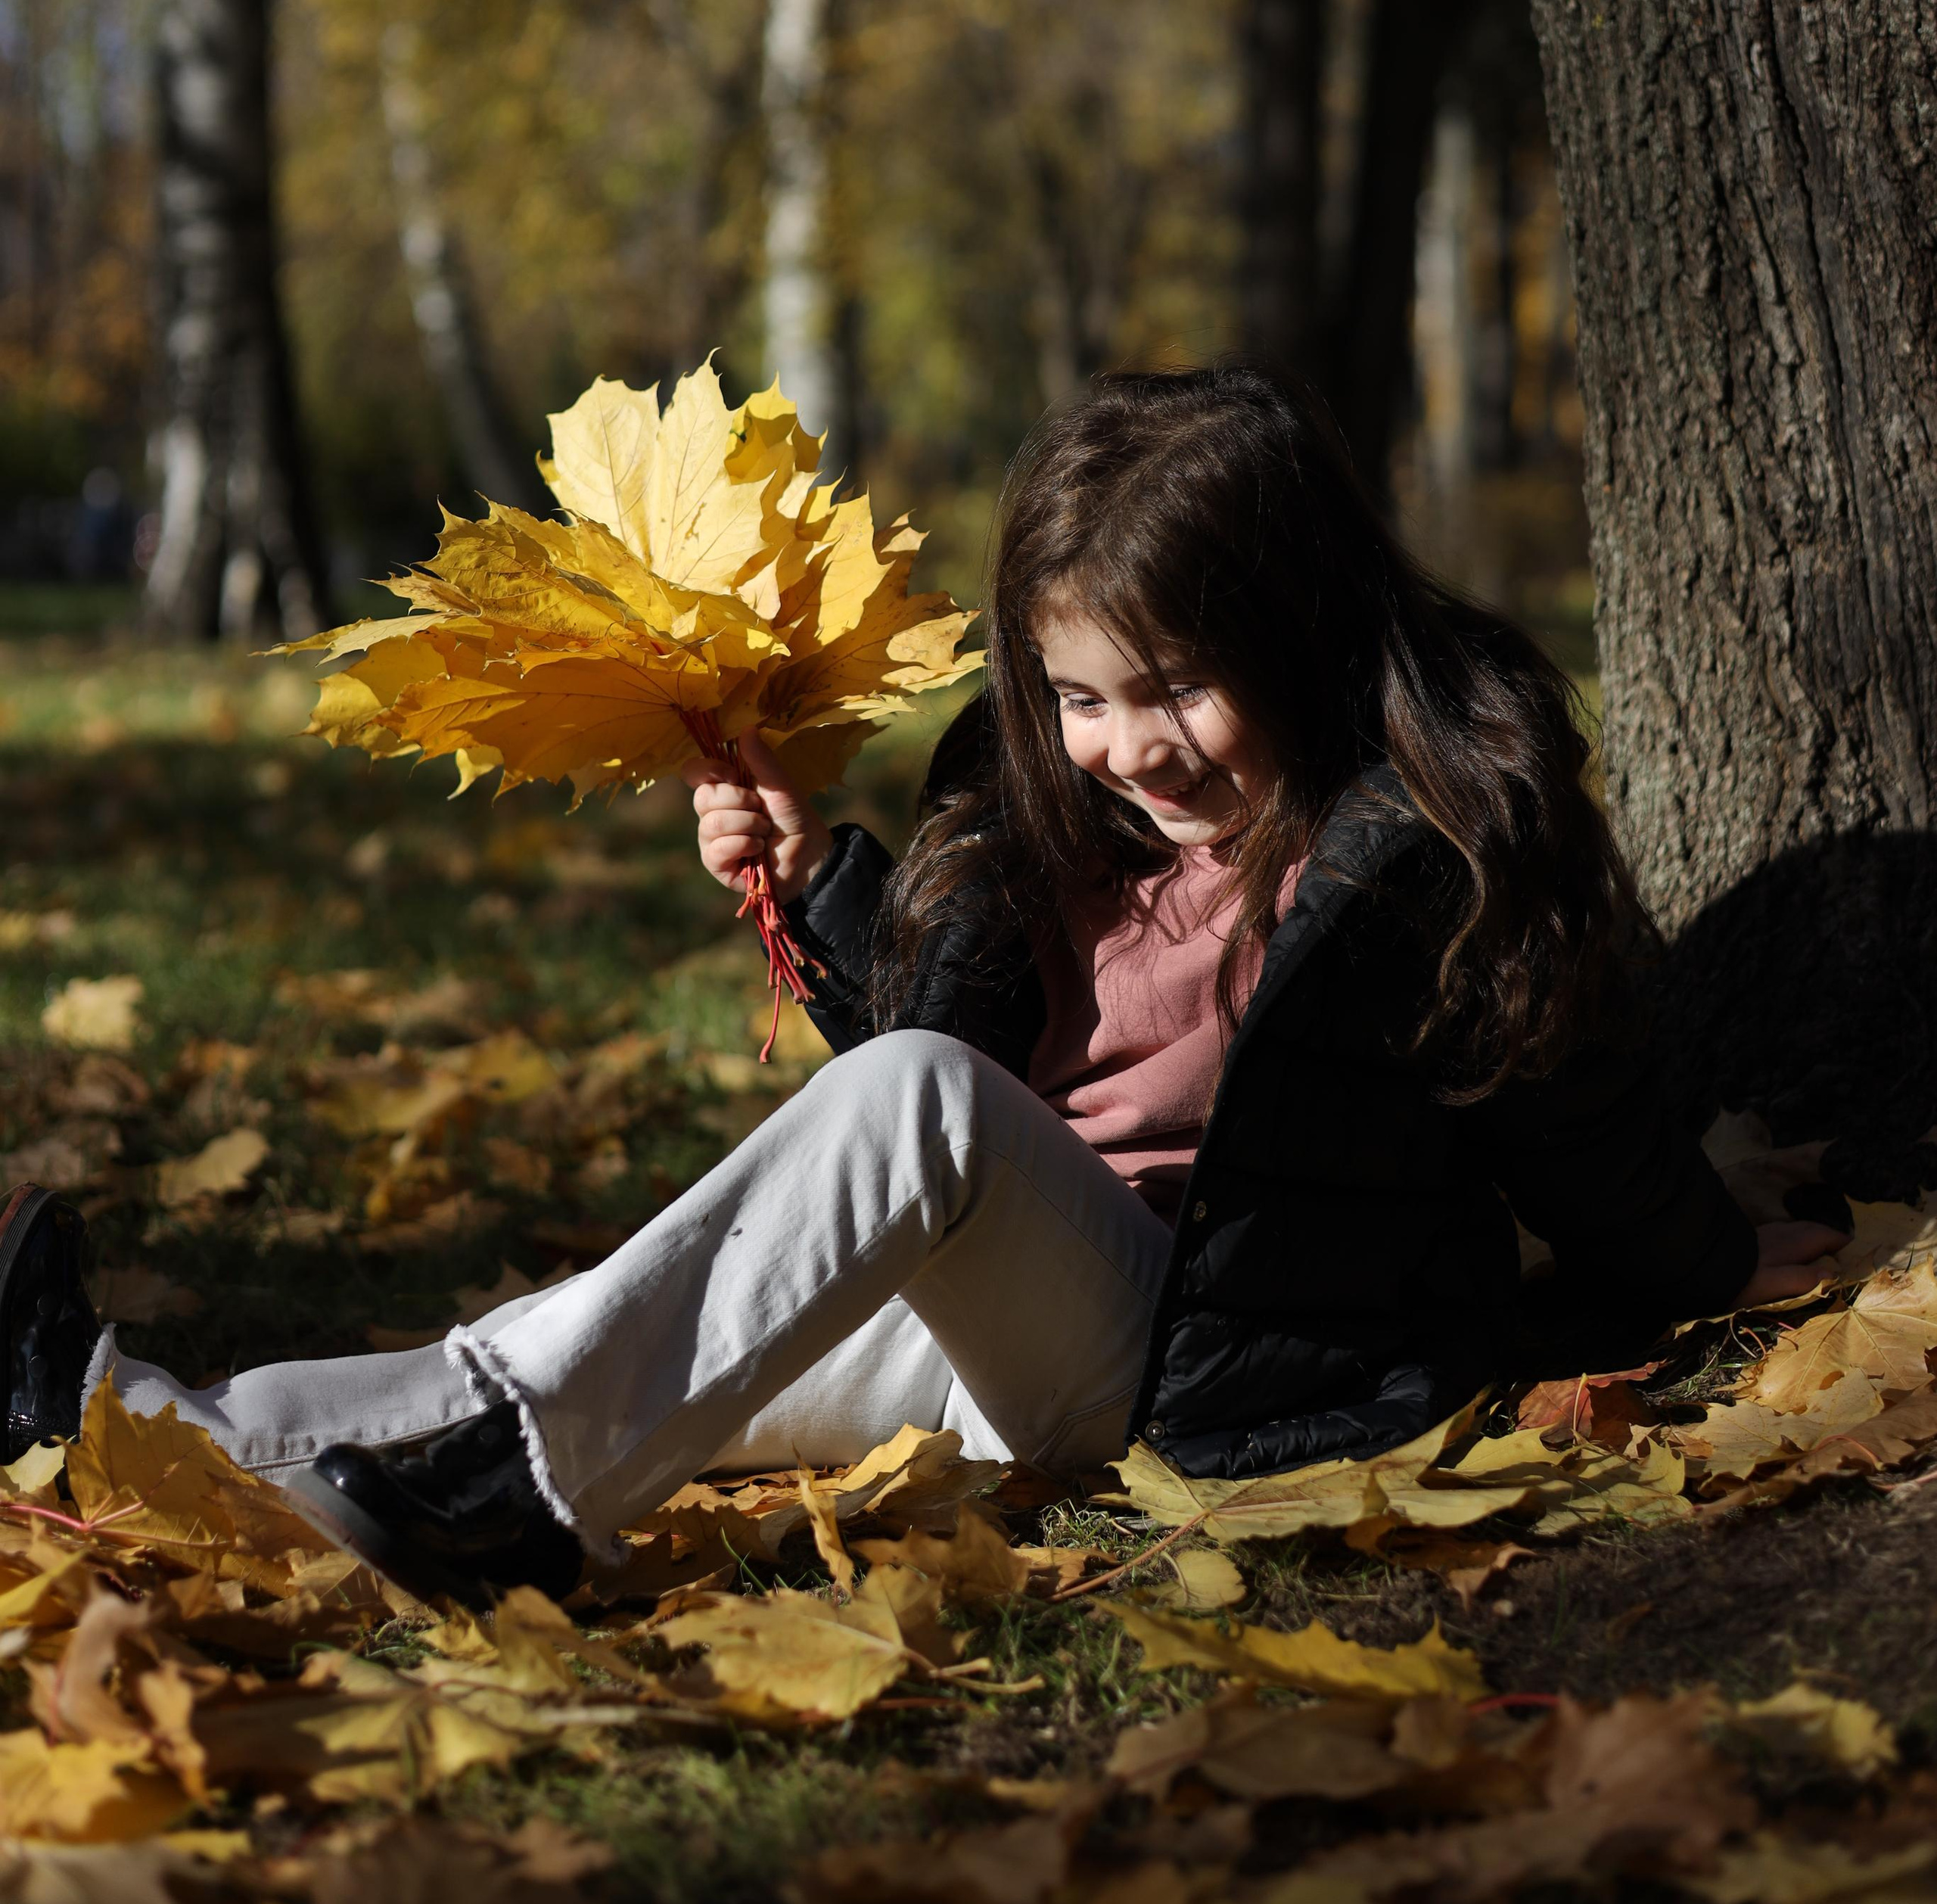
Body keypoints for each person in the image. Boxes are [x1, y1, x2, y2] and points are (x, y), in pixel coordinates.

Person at [0, 371, 1842, 1606]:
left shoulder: (1421, 835)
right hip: (994, 1311)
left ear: (1296, 625)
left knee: (846, 1166)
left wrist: (1700, 1259)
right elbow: (932, 1087)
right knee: (630, 1320)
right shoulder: (1035, 797)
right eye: (1079, 695)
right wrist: (828, 893)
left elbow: (1560, 1097)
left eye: (1175, 687)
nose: (1128, 747)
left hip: (1198, 1355)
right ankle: (132, 1429)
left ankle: (505, 1499)